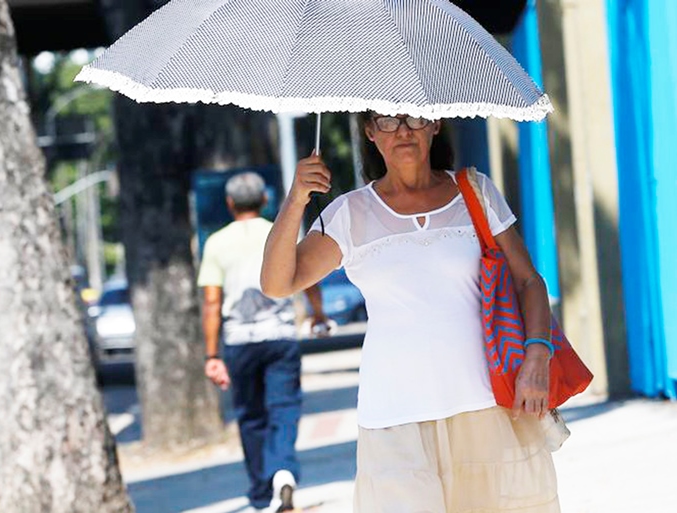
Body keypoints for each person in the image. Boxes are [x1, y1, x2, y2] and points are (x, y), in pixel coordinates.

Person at [261, 113, 560, 512]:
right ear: (369, 131)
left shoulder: (475, 192)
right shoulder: (349, 214)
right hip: (394, 417)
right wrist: (296, 198)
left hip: (484, 407)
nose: (402, 130)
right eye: (386, 120)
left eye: (414, 118)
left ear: (434, 125)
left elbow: (528, 282)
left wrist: (537, 357)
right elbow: (278, 283)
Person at [198, 171, 329, 513]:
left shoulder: (215, 243)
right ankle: (283, 470)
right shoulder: (279, 232)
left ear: (230, 204)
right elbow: (307, 277)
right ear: (265, 200)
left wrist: (212, 354)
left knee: (251, 416)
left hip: (239, 341)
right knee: (283, 408)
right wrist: (317, 312)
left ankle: (260, 495)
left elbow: (212, 302)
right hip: (280, 336)